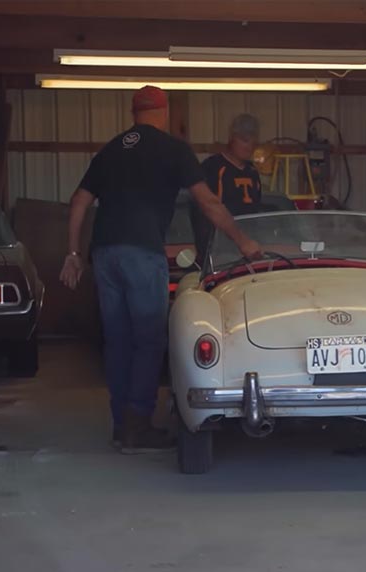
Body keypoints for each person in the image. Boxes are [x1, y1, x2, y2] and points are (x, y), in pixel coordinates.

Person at [58, 85, 262, 452]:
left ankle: (121, 426)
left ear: (133, 113)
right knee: (149, 339)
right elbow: (208, 203)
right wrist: (242, 240)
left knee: (117, 340)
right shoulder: (173, 149)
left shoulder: (110, 150)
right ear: (164, 112)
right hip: (141, 252)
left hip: (104, 253)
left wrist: (73, 253)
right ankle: (138, 425)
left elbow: (78, 202)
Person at [189, 113, 263, 263]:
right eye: (244, 140)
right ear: (232, 138)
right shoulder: (212, 168)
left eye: (253, 143)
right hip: (219, 252)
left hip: (248, 251)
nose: (249, 147)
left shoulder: (253, 172)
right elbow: (204, 209)